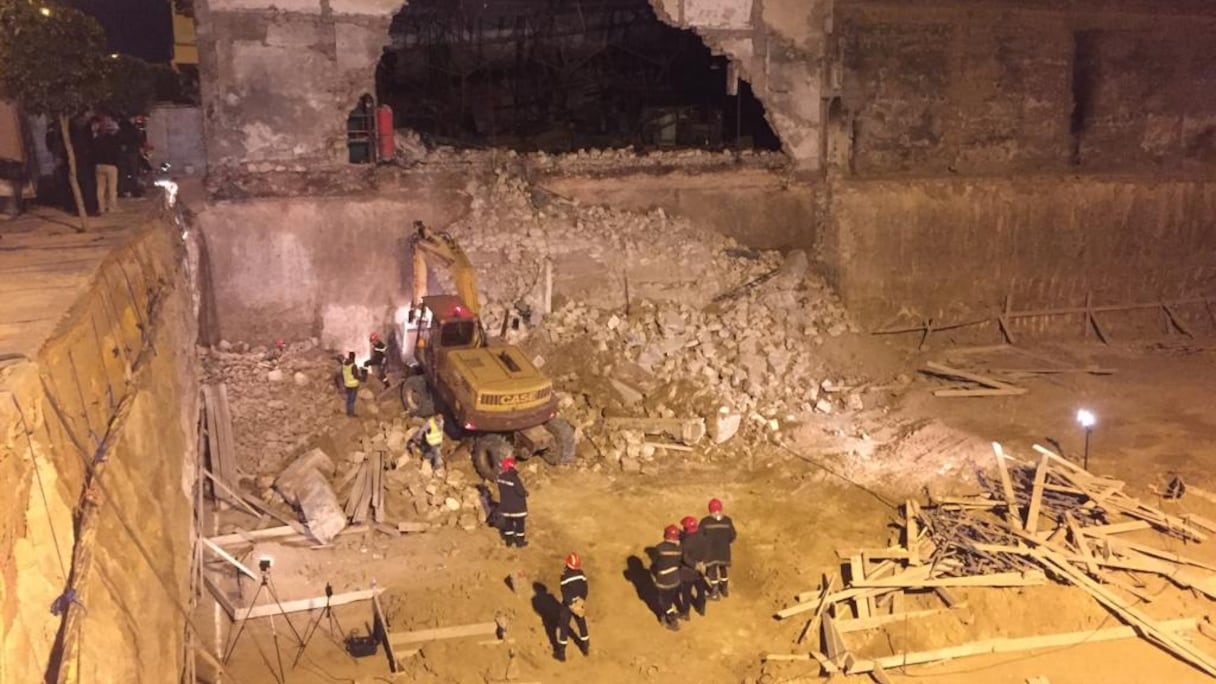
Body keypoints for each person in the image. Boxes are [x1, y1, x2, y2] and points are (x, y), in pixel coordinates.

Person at [555, 553, 590, 662]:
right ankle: (585, 648)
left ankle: (561, 654)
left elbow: (565, 594)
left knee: (564, 626)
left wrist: (571, 605)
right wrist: (581, 600)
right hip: (579, 602)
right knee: (582, 625)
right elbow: (585, 588)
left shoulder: (564, 576)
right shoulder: (581, 574)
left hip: (568, 605)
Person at [700, 498, 737, 600]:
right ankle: (724, 590)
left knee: (712, 571)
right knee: (723, 569)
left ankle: (715, 593)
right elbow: (733, 535)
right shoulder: (727, 520)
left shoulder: (705, 522)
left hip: (710, 552)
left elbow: (700, 537)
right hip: (724, 551)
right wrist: (725, 543)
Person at [651, 524, 683, 631]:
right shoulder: (679, 549)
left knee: (664, 602)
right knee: (670, 597)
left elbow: (655, 563)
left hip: (664, 580)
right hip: (675, 579)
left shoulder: (659, 548)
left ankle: (672, 620)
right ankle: (669, 613)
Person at [678, 515, 709, 619]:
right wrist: (702, 564)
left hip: (688, 573)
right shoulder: (703, 538)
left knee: (686, 593)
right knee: (701, 590)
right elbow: (708, 552)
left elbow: (684, 558)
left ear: (686, 529)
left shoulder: (685, 542)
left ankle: (686, 613)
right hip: (700, 571)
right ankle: (701, 609)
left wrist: (695, 565)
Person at [496, 457, 528, 547]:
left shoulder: (500, 478)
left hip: (506, 507)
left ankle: (508, 542)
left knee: (508, 525)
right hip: (517, 508)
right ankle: (520, 542)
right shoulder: (514, 478)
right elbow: (520, 492)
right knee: (519, 526)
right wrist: (526, 493)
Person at [92, 120, 121, 213]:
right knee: (112, 188)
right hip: (111, 165)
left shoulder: (96, 140)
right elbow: (117, 152)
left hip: (99, 165)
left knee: (100, 188)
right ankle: (112, 207)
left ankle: (101, 207)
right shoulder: (113, 140)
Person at [339, 352, 366, 417]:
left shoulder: (344, 365)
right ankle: (351, 413)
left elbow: (342, 374)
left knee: (348, 399)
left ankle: (348, 412)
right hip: (353, 385)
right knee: (352, 400)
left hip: (347, 385)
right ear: (354, 357)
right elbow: (355, 375)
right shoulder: (353, 365)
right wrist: (362, 378)